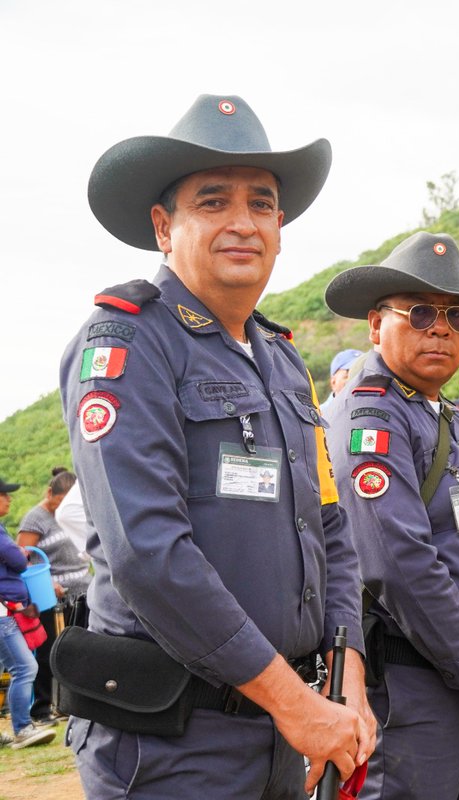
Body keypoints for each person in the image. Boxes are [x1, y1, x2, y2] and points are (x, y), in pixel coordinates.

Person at [60, 94, 372, 798]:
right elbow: (150, 554)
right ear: (164, 227)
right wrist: (297, 704)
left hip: (282, 733)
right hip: (174, 743)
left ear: (281, 227)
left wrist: (347, 671)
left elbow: (329, 524)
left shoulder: (284, 361)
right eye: (213, 201)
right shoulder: (128, 344)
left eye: (262, 204)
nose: (242, 222)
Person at [323, 232, 459, 799]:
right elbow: (399, 562)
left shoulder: (450, 414)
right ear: (376, 326)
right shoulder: (370, 418)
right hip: (412, 685)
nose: (440, 327)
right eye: (420, 312)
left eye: (456, 315)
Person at [16, 467, 91, 724]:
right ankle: (42, 708)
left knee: (79, 650)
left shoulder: (74, 511)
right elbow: (19, 559)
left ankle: (72, 704)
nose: (62, 509)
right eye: (59, 503)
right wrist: (48, 582)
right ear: (50, 493)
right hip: (49, 597)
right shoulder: (35, 519)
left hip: (81, 591)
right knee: (49, 652)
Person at [0, 476, 57, 749]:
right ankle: (22, 728)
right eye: (4, 494)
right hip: (3, 612)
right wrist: (20, 553)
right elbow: (16, 560)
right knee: (25, 667)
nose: (9, 499)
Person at [322, 348, 364, 413]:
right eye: (349, 375)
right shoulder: (319, 416)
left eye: (362, 373)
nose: (357, 380)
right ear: (333, 382)